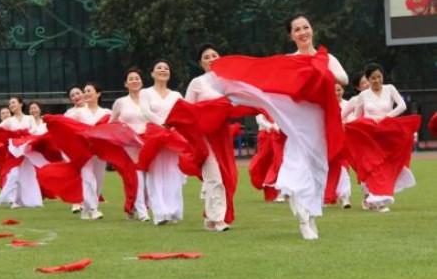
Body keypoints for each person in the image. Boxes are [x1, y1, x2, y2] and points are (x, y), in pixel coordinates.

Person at [210, 13, 348, 240]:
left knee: (317, 170)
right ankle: (304, 219)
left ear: (312, 29)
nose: (303, 32)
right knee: (298, 165)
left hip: (319, 119)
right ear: (291, 35)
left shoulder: (326, 57)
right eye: (297, 30)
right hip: (296, 119)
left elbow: (342, 78)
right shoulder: (289, 61)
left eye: (306, 27)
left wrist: (321, 70)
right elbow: (269, 82)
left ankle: (311, 215)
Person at [346, 63, 421, 212]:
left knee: (386, 165)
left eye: (379, 77)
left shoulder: (390, 89)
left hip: (386, 135)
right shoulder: (363, 95)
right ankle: (376, 200)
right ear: (368, 79)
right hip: (369, 135)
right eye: (373, 78)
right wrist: (350, 126)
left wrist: (386, 118)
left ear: (383, 77)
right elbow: (357, 115)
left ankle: (375, 198)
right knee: (373, 167)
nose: (376, 80)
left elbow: (402, 106)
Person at [184, 44, 231, 231]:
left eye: (214, 55)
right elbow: (186, 109)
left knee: (226, 177)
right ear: (201, 63)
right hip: (203, 136)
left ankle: (210, 219)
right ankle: (218, 219)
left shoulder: (227, 82)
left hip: (222, 135)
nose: (211, 59)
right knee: (214, 177)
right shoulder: (197, 82)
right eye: (206, 57)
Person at [139, 59, 184, 225]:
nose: (163, 70)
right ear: (152, 73)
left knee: (173, 171)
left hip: (173, 135)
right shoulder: (146, 93)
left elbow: (183, 113)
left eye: (166, 68)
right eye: (159, 68)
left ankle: (173, 211)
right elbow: (145, 111)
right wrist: (162, 123)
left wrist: (172, 126)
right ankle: (159, 212)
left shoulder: (176, 95)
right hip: (155, 135)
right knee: (155, 172)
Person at [65, 82, 112, 220]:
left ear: (98, 93)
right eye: (84, 91)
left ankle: (87, 209)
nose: (86, 93)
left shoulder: (107, 113)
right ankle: (94, 208)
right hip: (83, 151)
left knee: (98, 180)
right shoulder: (77, 113)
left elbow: (116, 126)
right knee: (87, 178)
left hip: (100, 151)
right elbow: (65, 124)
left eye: (89, 91)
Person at [111, 68, 150, 222]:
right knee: (136, 176)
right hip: (130, 144)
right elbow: (112, 123)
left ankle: (137, 206)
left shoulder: (149, 99)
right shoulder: (120, 102)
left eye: (137, 78)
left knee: (148, 177)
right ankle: (142, 211)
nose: (135, 81)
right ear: (126, 84)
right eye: (131, 79)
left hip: (148, 141)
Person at [64, 85, 86, 214]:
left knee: (89, 175)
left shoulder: (91, 109)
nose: (76, 97)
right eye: (73, 96)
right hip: (73, 147)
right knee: (76, 174)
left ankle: (88, 201)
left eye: (78, 93)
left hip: (89, 146)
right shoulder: (69, 113)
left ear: (83, 94)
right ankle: (76, 202)